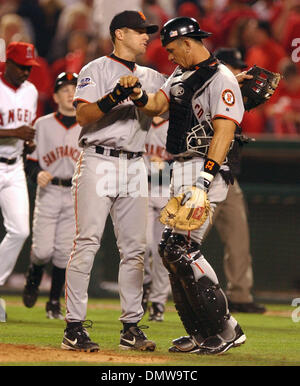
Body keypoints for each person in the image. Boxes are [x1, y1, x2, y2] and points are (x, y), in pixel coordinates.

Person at [119, 16, 247, 355]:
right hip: (181, 168)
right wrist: (137, 95)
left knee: (183, 249)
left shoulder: (222, 78)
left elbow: (224, 133)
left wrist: (204, 181)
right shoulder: (180, 74)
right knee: (170, 250)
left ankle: (226, 328)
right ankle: (200, 333)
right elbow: (157, 106)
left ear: (188, 42)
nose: (170, 57)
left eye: (173, 49)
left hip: (205, 170)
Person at [61, 10, 167, 352]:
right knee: (87, 241)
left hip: (135, 164)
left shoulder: (152, 76)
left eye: (147, 31)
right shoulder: (96, 69)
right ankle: (74, 327)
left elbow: (161, 110)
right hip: (98, 159)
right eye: (139, 31)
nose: (146, 36)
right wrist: (115, 97)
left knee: (136, 249)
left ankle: (131, 327)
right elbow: (82, 115)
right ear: (119, 33)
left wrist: (137, 95)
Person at [203, 47, 266, 314]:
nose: (239, 72)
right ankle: (160, 291)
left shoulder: (233, 96)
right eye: (234, 66)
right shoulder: (206, 89)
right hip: (202, 175)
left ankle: (240, 294)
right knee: (186, 240)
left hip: (229, 178)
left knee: (239, 240)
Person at [22, 72, 80, 320]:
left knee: (63, 252)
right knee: (42, 251)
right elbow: (29, 162)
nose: (70, 93)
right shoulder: (42, 124)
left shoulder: (89, 124)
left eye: (74, 89)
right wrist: (37, 174)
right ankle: (34, 275)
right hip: (49, 192)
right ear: (55, 96)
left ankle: (54, 301)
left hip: (73, 193)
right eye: (64, 89)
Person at [0, 41, 39, 321]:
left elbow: (27, 130)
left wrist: (27, 142)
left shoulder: (31, 91)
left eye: (30, 67)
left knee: (20, 231)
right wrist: (15, 131)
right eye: (22, 67)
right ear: (8, 63)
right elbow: (16, 128)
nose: (27, 72)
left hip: (14, 167)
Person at [142, 116, 172, 321]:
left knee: (163, 252)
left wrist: (167, 163)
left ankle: (159, 301)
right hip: (141, 190)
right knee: (142, 246)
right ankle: (143, 289)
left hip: (166, 193)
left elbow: (187, 159)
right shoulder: (139, 120)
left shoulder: (176, 124)